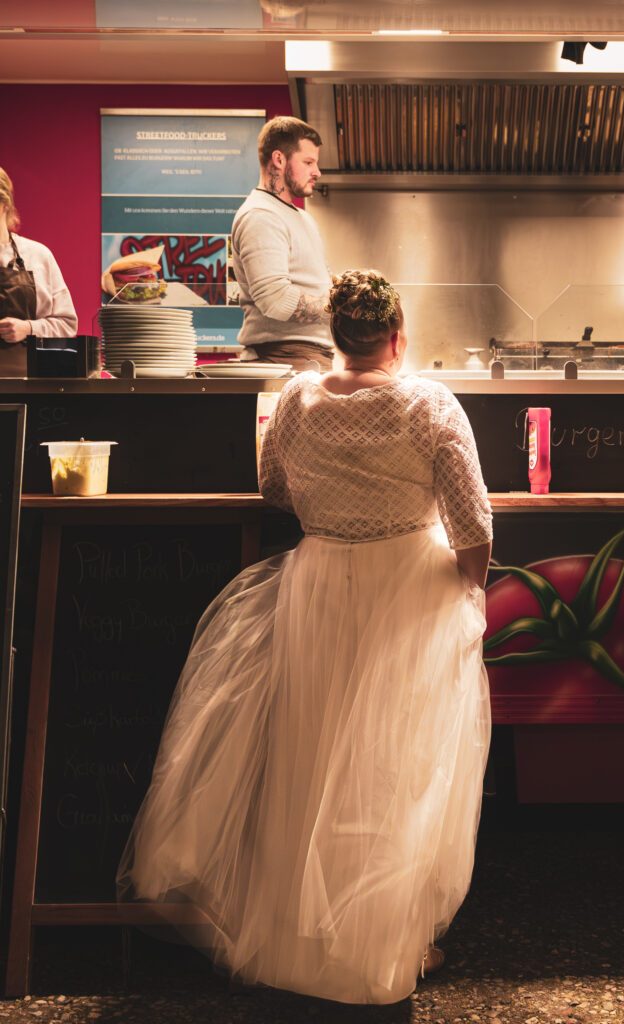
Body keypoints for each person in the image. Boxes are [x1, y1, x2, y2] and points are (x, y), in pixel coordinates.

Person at [118, 269, 493, 1005]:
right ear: (397, 335)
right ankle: (382, 947)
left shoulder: (296, 397)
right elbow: (474, 527)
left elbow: (274, 490)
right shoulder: (429, 404)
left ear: (334, 337)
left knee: (308, 761)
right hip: (406, 596)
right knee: (392, 774)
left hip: (316, 585)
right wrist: (464, 587)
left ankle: (296, 941)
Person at [231, 116, 334, 371]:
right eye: (308, 162)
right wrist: (339, 308)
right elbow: (275, 300)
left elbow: (320, 281)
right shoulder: (261, 215)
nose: (317, 172)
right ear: (279, 159)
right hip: (283, 359)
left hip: (310, 358)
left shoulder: (303, 218)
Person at [0, 167, 77, 376]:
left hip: (28, 384)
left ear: (4, 204)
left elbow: (67, 325)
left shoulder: (38, 255)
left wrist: (28, 328)